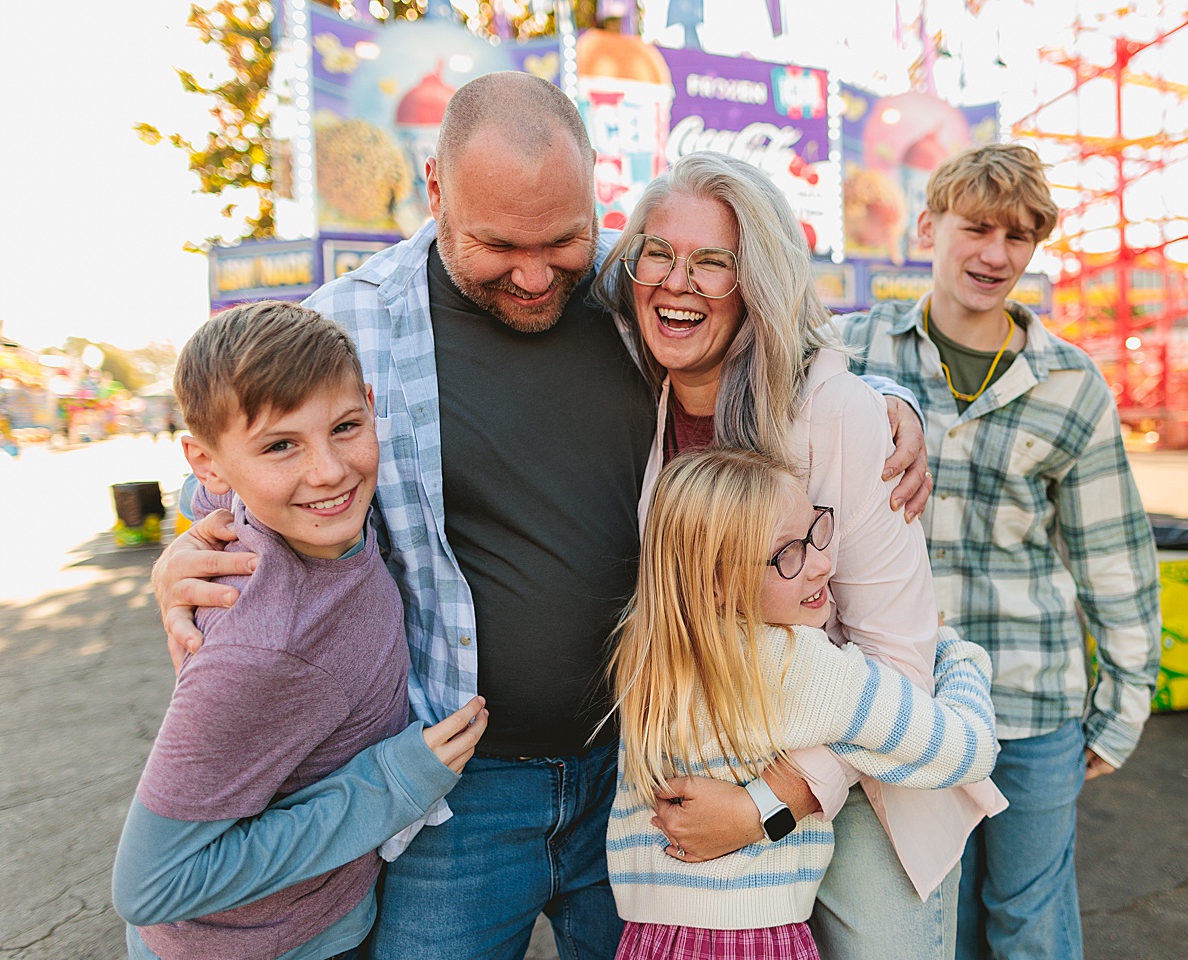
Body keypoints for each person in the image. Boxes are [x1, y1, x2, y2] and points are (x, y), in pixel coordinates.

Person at [151, 72, 934, 960]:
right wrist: (185, 545)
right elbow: (244, 468)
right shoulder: (353, 326)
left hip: (647, 777)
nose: (533, 275)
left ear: (595, 192)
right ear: (436, 189)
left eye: (561, 239)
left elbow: (765, 329)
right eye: (497, 246)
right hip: (458, 796)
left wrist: (885, 395)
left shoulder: (627, 294)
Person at [592, 151, 1005, 959]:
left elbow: (897, 657)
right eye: (659, 253)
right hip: (709, 800)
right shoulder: (639, 390)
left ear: (759, 284)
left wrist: (763, 807)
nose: (678, 281)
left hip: (861, 772)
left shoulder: (839, 414)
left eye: (715, 263)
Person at [836, 143, 1162, 960]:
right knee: (927, 924)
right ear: (928, 226)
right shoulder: (853, 350)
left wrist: (1122, 705)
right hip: (901, 701)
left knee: (1028, 923)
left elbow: (1113, 554)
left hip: (1030, 697)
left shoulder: (1070, 382)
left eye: (1017, 237)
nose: (995, 254)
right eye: (976, 228)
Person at [113, 301, 488, 960]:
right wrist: (386, 787)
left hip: (322, 919)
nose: (329, 471)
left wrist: (188, 520)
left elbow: (205, 493)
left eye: (346, 426)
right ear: (210, 461)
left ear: (370, 406)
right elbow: (149, 885)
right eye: (281, 444)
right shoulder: (260, 649)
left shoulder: (300, 509)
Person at [608, 447, 998, 960]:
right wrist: (954, 654)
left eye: (815, 531)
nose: (821, 564)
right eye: (787, 555)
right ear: (718, 584)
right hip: (755, 942)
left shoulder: (649, 655)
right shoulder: (796, 666)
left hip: (650, 939)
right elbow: (968, 750)